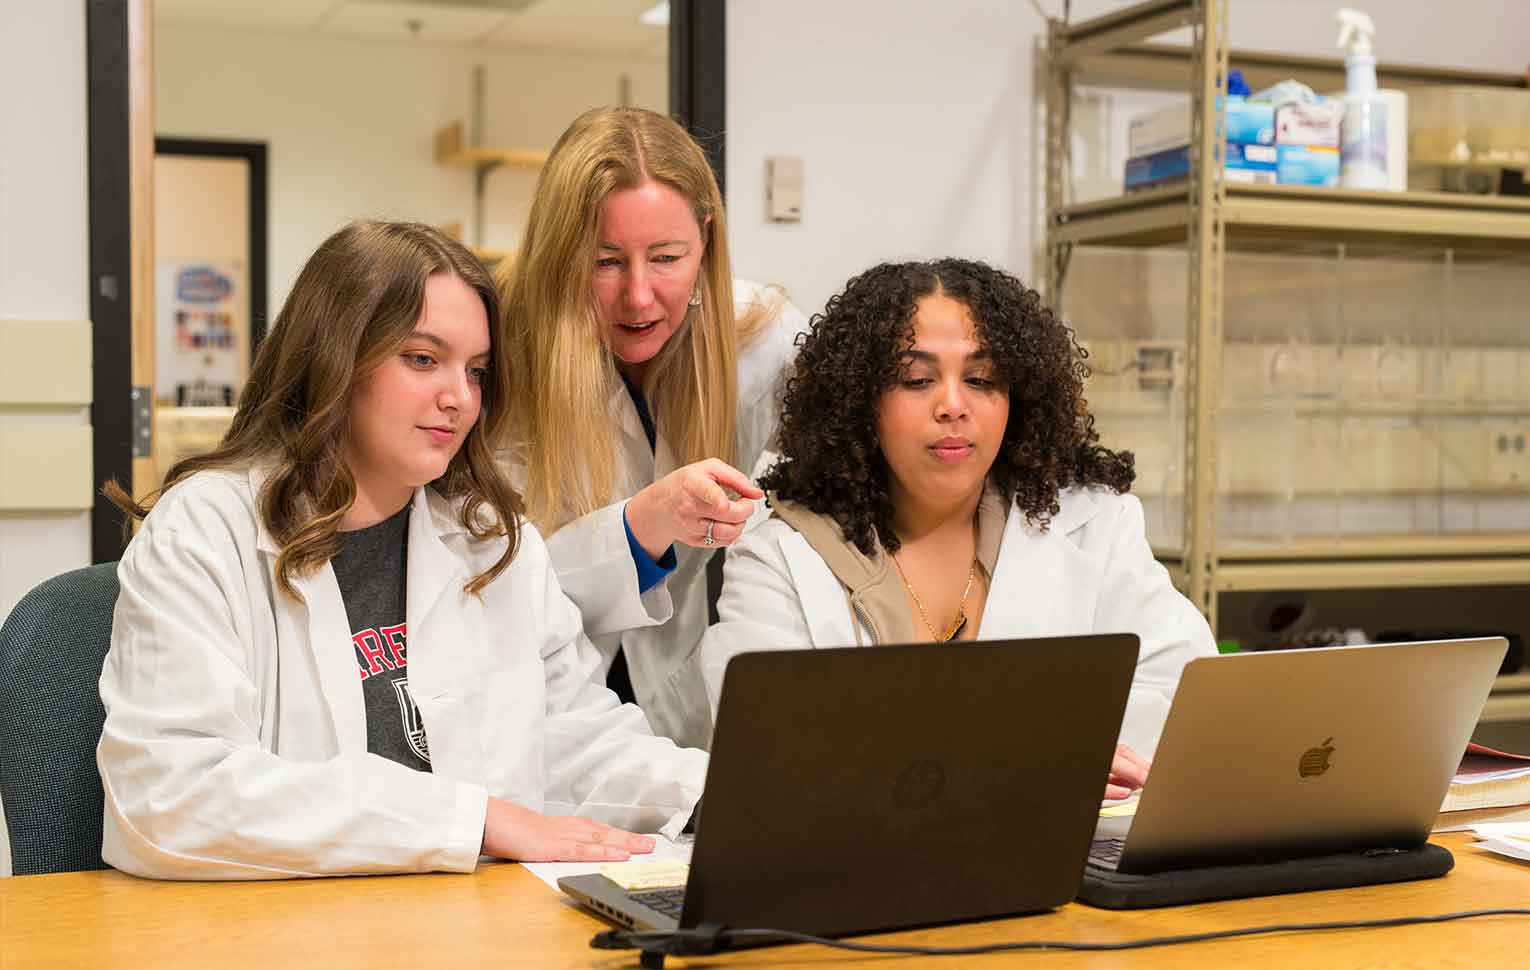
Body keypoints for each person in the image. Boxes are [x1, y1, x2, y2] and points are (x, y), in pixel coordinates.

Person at [97, 221, 706, 880]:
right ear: (335, 358)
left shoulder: (492, 542)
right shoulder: (206, 531)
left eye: (476, 371)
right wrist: (472, 821)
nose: (459, 398)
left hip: (474, 928)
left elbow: (574, 735)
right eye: (422, 359)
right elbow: (171, 796)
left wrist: (714, 798)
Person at [699, 259, 1216, 797]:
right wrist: (1026, 759)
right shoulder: (780, 552)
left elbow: (1184, 694)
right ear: (860, 403)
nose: (953, 405)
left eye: (981, 379)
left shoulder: (1091, 524)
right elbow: (769, 755)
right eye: (917, 380)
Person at [498, 107, 806, 749]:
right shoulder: (499, 355)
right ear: (559, 255)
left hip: (686, 694)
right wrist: (643, 528)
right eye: (605, 262)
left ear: (707, 238)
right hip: (538, 697)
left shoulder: (765, 339)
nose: (639, 297)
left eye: (666, 257)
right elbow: (488, 583)